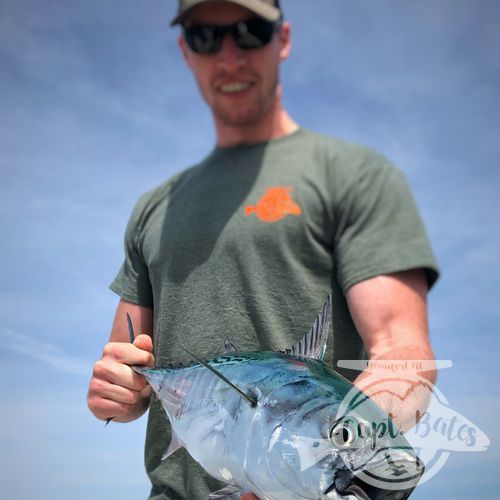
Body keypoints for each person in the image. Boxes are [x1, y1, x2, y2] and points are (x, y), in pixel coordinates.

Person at [87, 1, 439, 499]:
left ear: (284, 38)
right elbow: (127, 379)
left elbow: (402, 351)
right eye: (208, 38)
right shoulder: (153, 208)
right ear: (186, 51)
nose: (230, 57)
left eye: (250, 32)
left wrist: (355, 450)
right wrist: (113, 395)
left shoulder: (354, 177)